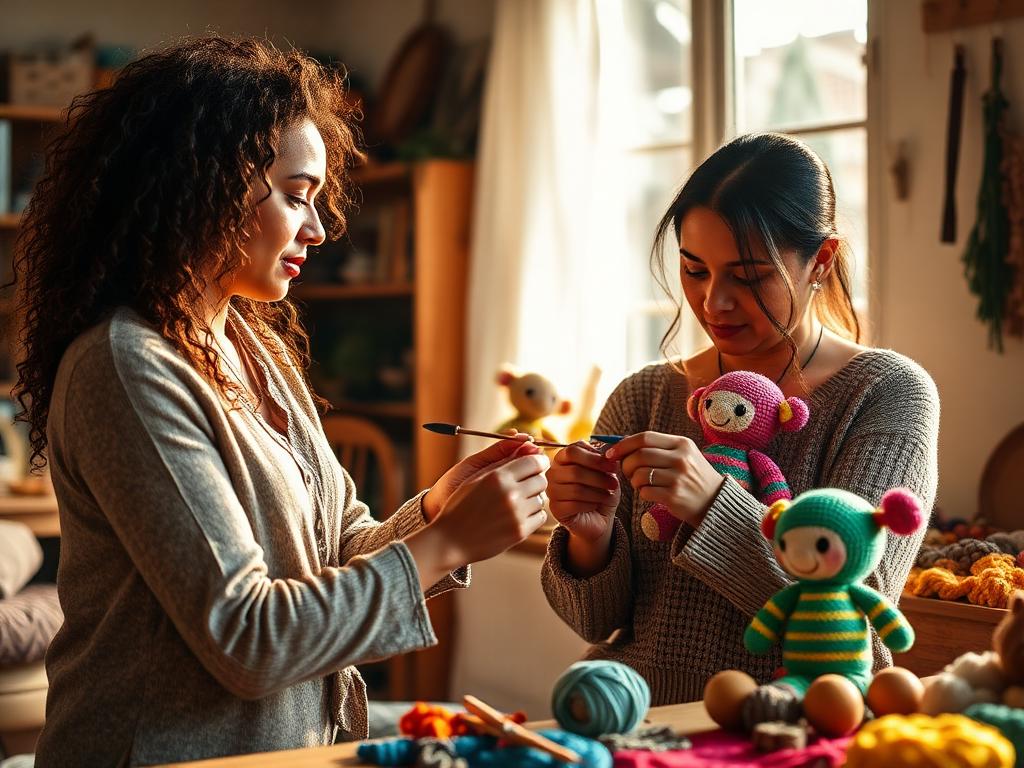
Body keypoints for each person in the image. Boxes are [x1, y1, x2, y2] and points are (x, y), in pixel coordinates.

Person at [14, 37, 550, 766]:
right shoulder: (124, 366)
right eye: (296, 195)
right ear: (203, 182)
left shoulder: (253, 346)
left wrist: (437, 512)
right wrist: (446, 545)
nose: (320, 228)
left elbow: (334, 553)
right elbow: (248, 639)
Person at [541, 133, 939, 712]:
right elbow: (595, 623)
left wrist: (713, 505)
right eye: (694, 270)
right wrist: (589, 537)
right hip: (632, 714)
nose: (714, 302)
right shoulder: (645, 394)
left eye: (748, 276)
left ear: (820, 262)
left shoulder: (886, 394)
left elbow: (863, 631)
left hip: (784, 723)